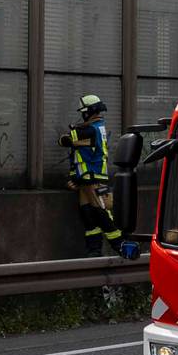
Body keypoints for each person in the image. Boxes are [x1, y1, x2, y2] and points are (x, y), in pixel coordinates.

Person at [59, 94, 121, 253]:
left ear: (89, 111)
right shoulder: (97, 127)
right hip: (85, 179)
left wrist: (72, 132)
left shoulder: (91, 130)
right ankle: (94, 250)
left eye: (83, 112)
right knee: (88, 214)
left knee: (101, 213)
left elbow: (64, 140)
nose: (82, 115)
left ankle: (121, 246)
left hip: (93, 178)